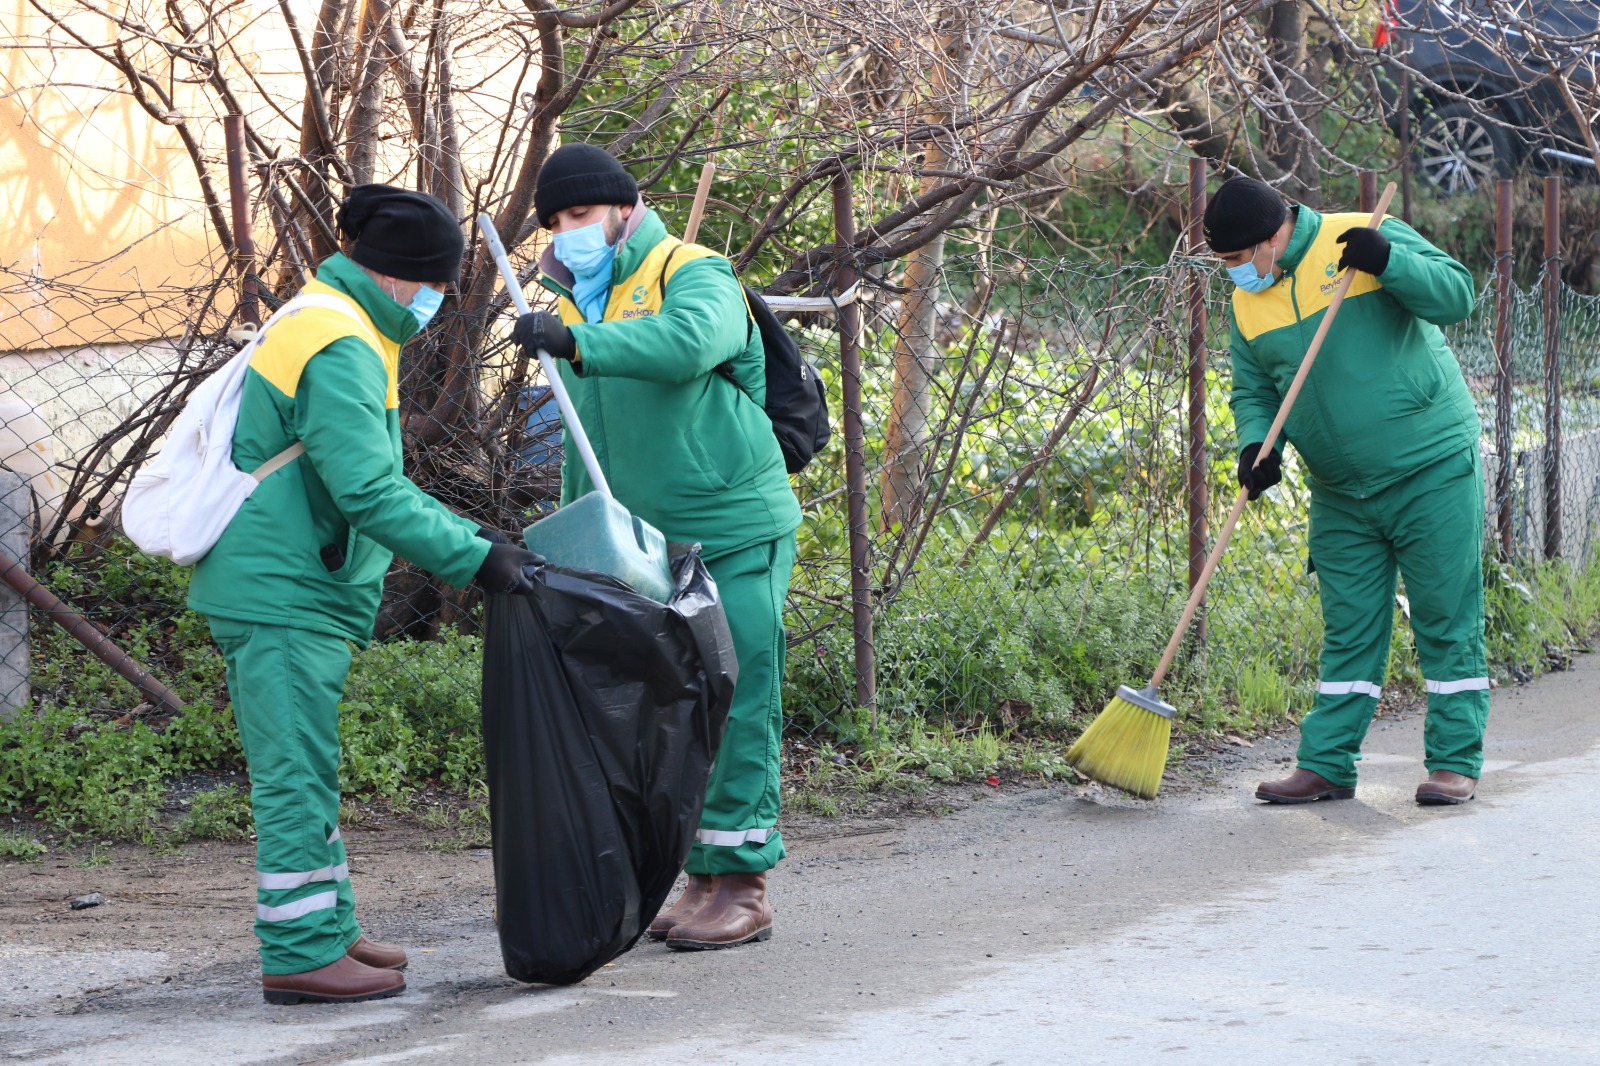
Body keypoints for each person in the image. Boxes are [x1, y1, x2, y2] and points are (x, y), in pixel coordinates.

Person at [188, 184, 543, 1004]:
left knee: (308, 761)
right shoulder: (340, 342)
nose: (438, 302)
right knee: (293, 772)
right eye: (434, 286)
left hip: (286, 577)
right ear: (394, 275)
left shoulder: (333, 320)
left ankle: (331, 928)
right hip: (282, 587)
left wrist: (477, 538)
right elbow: (370, 494)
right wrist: (476, 560)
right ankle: (302, 951)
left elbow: (363, 480)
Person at [511, 143, 802, 949]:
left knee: (737, 698)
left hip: (734, 526)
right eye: (558, 220)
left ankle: (743, 883)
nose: (570, 231)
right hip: (640, 547)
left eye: (583, 214)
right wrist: (570, 539)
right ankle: (701, 875)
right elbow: (582, 438)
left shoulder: (694, 268)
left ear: (625, 207)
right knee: (672, 711)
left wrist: (578, 345)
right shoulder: (570, 297)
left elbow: (686, 346)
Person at [1205, 175, 1489, 807]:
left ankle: (1454, 761)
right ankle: (1327, 765)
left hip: (1430, 465)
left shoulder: (1362, 233)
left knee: (1446, 617)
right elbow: (1252, 387)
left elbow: (1457, 296)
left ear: (1268, 239)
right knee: (1349, 628)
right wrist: (1258, 446)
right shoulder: (1247, 301)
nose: (1231, 273)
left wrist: (1389, 263)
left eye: (1233, 259)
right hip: (1338, 487)